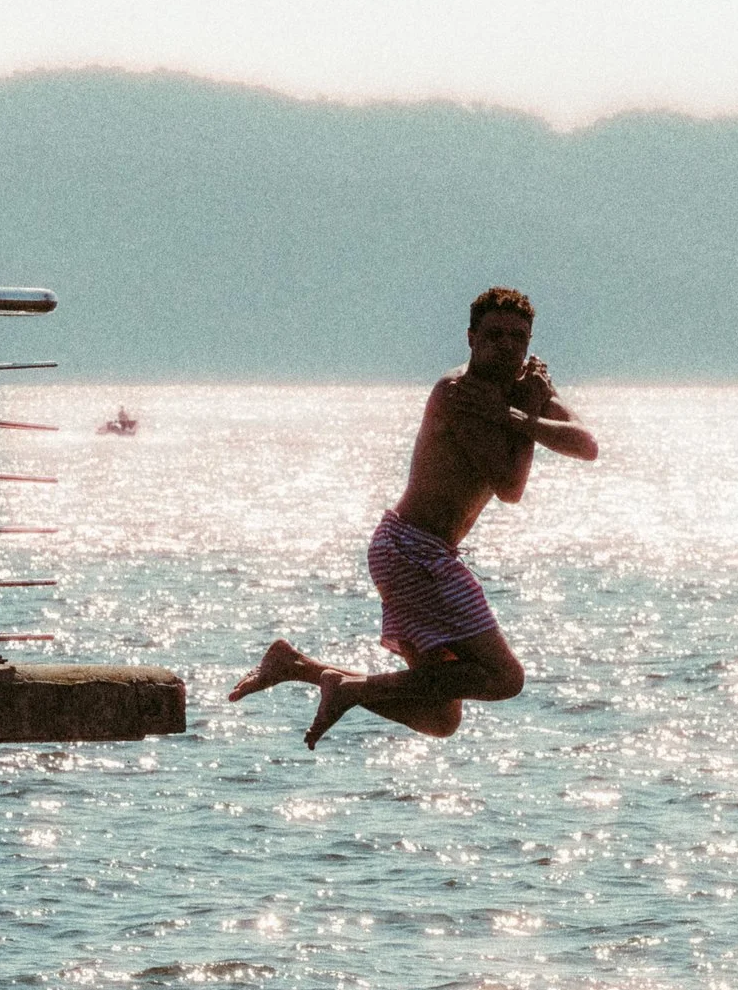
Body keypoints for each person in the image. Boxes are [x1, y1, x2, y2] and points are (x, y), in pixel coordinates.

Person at [232, 286, 598, 746]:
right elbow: (510, 487)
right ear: (470, 338)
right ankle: (347, 688)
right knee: (505, 678)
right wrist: (523, 411)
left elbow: (586, 444)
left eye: (518, 338)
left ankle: (299, 667)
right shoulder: (458, 393)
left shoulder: (525, 390)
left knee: (439, 718)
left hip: (417, 552)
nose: (507, 346)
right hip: (413, 549)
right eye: (494, 335)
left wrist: (523, 413)